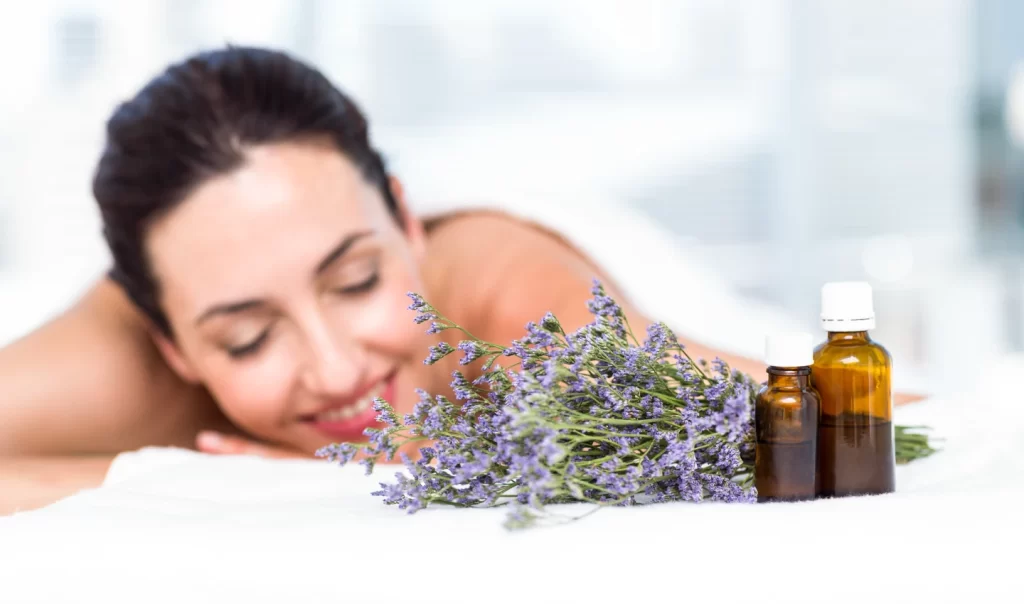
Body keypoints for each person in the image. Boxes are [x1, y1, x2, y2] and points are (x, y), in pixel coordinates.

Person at [0, 47, 913, 515]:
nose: (332, 369)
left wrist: (321, 484)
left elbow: (840, 432)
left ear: (404, 220)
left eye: (355, 281)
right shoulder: (122, 362)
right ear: (169, 342)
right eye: (247, 337)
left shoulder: (525, 312)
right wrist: (185, 479)